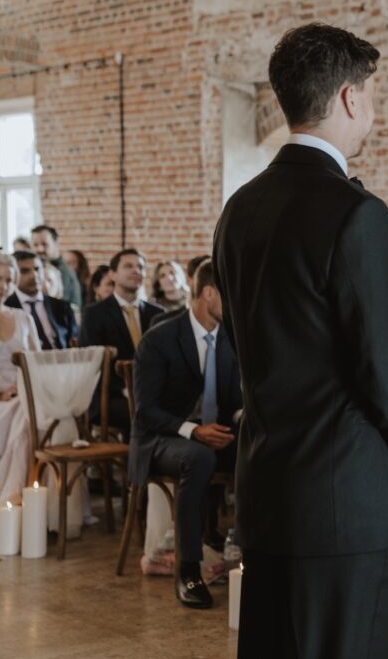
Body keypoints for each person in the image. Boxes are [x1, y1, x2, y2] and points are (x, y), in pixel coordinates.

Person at [213, 23, 388, 659]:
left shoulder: (238, 209)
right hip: (346, 503)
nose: (372, 108)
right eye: (371, 94)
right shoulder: (357, 212)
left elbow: (241, 344)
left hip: (267, 494)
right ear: (349, 98)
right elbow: (386, 365)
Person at [131, 260, 241, 608]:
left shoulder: (231, 338)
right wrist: (194, 431)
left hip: (214, 432)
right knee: (199, 456)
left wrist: (245, 417)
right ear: (209, 293)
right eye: (230, 295)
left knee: (263, 446)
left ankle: (249, 553)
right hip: (161, 438)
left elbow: (236, 401)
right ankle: (188, 571)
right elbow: (146, 411)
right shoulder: (160, 339)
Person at [0, 251, 39, 538]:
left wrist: (22, 386)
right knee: (25, 416)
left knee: (28, 414)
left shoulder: (22, 317)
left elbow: (37, 362)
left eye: (8, 280)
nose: (3, 286)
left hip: (21, 395)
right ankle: (6, 506)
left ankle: (12, 506)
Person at [80, 249, 164, 439]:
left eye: (140, 267)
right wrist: (127, 389)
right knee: (148, 415)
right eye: (128, 266)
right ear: (112, 274)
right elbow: (91, 363)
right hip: (111, 395)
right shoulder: (95, 313)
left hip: (152, 392)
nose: (136, 271)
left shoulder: (157, 313)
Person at [5, 251, 78, 349]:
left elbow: (75, 343)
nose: (34, 275)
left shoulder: (62, 306)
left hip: (62, 357)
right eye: (25, 271)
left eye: (37, 269)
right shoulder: (6, 307)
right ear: (13, 275)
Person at [31, 225, 82, 311]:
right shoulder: (35, 269)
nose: (39, 249)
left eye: (44, 244)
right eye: (35, 245)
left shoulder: (65, 272)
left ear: (56, 243)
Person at [151, 255, 210, 328]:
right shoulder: (155, 309)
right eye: (163, 276)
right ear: (158, 284)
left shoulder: (193, 302)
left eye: (172, 272)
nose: (169, 278)